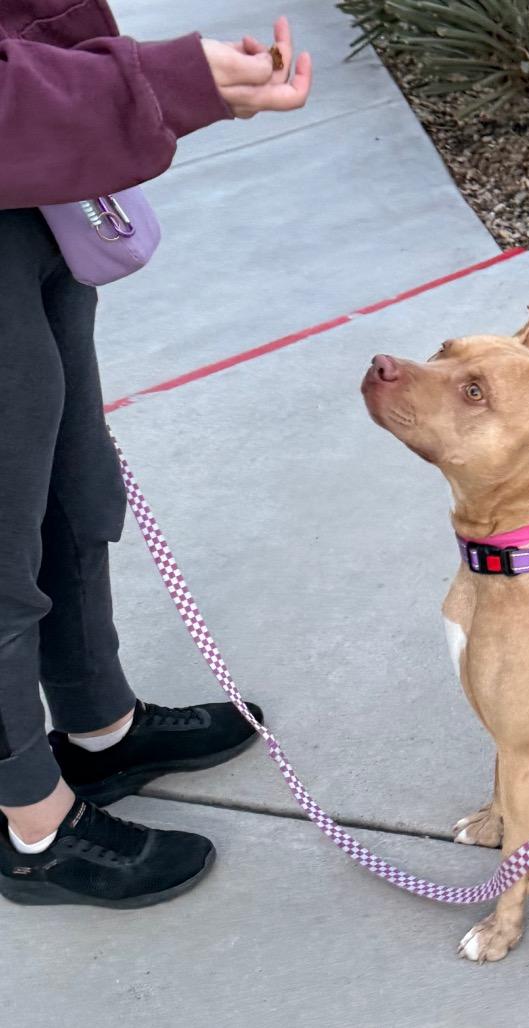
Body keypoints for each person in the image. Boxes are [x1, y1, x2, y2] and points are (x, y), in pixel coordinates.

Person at [0, 1, 312, 908]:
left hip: (31, 185)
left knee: (69, 479)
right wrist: (165, 83)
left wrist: (119, 94)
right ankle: (30, 819)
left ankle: (100, 725)